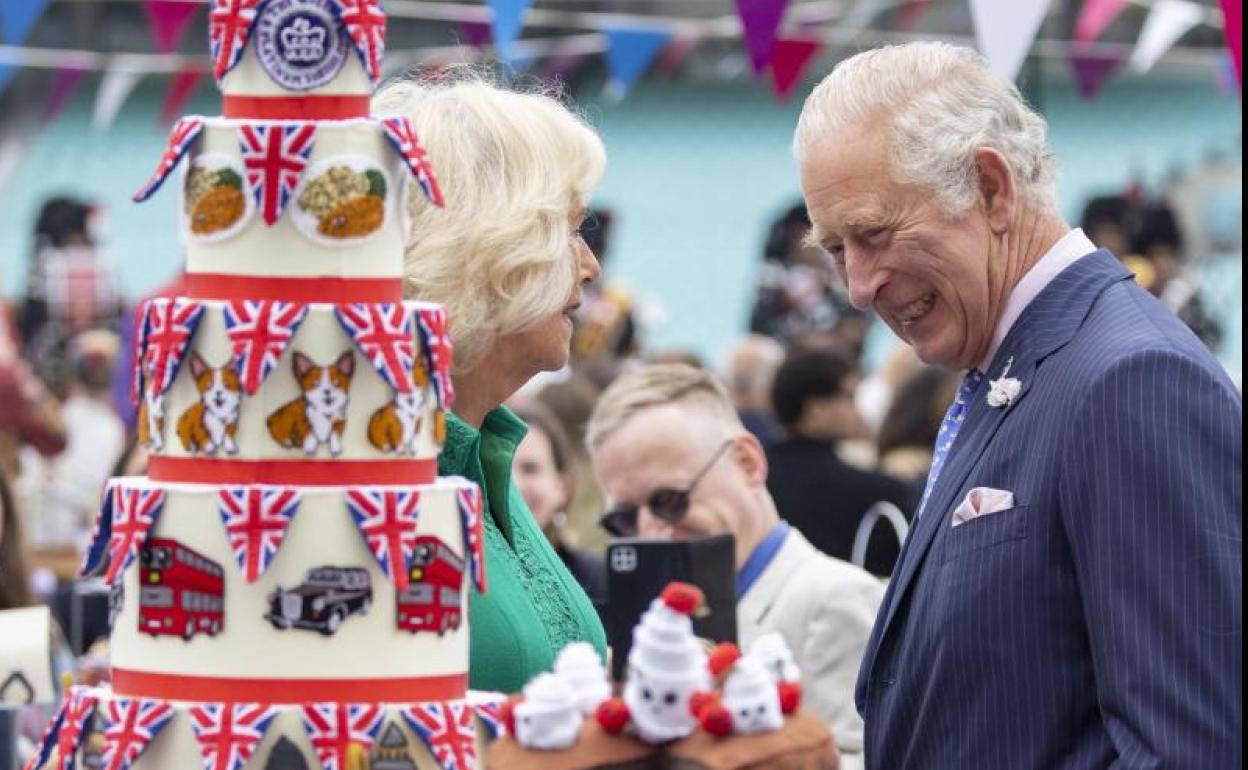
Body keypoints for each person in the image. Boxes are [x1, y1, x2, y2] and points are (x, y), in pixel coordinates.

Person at [794, 42, 1242, 769]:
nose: (858, 285)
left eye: (872, 234)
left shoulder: (1129, 379)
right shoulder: (1014, 365)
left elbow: (1192, 748)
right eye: (837, 249)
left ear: (990, 188)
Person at [373, 73, 607, 694]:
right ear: (486, 245)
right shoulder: (372, 472)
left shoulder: (485, 446)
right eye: (572, 228)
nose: (591, 265)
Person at [586, 363, 884, 770]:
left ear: (747, 462)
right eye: (623, 520)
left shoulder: (836, 597)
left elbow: (862, 760)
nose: (650, 530)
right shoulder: (655, 625)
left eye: (669, 500)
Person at [765, 346, 917, 577]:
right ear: (816, 409)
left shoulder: (755, 474)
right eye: (849, 397)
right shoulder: (876, 491)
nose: (857, 410)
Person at [511, 403, 607, 605]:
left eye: (530, 469)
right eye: (500, 468)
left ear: (563, 486)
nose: (514, 486)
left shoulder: (602, 581)